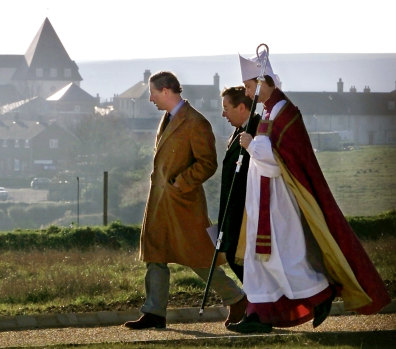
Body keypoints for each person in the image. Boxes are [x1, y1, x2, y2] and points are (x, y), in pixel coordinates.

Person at [227, 50, 390, 333]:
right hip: (260, 197)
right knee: (259, 257)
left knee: (283, 257)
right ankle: (258, 314)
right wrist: (253, 145)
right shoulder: (267, 110)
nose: (248, 92)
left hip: (278, 199)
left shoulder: (284, 112)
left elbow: (280, 158)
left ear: (264, 81)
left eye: (250, 86)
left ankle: (320, 293)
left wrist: (251, 144)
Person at [124, 71, 247, 330]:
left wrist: (181, 182)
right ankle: (154, 312)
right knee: (155, 254)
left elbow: (208, 163)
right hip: (160, 202)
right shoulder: (167, 119)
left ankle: (237, 298)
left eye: (153, 93)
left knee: (199, 258)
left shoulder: (195, 122)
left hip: (184, 204)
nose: (150, 98)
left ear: (166, 91)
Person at [218, 86, 261, 283]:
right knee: (232, 256)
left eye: (226, 107)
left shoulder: (257, 130)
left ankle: (259, 306)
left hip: (247, 209)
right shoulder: (238, 131)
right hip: (233, 207)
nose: (223, 113)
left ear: (242, 107)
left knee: (239, 258)